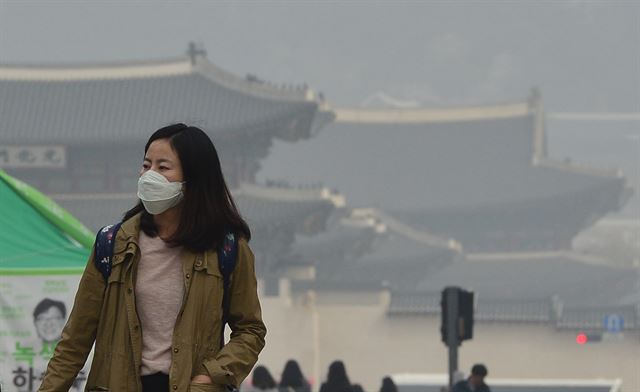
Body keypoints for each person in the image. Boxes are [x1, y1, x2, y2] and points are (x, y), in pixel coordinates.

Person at [39, 124, 267, 392]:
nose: (149, 175)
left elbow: (250, 330)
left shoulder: (227, 250)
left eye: (163, 167)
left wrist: (211, 376)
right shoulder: (112, 245)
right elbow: (74, 340)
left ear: (193, 179)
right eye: (146, 165)